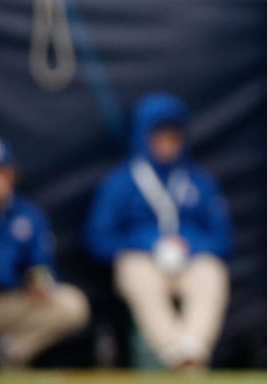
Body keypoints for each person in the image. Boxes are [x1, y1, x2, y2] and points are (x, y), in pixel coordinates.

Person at [84, 93, 233, 371]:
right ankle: (180, 355)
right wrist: (148, 243)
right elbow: (99, 240)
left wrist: (188, 244)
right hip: (144, 261)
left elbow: (222, 239)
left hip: (190, 262)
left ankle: (193, 348)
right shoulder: (121, 182)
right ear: (144, 136)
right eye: (159, 135)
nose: (167, 143)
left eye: (173, 135)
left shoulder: (199, 182)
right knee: (134, 270)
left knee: (213, 272)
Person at [0, 134, 90, 368]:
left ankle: (8, 354)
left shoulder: (27, 215)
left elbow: (42, 264)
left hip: (13, 300)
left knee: (72, 303)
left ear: (10, 174)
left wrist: (40, 281)